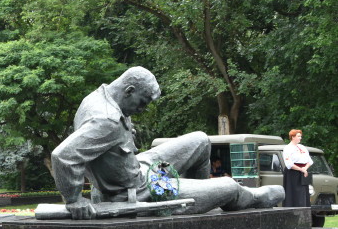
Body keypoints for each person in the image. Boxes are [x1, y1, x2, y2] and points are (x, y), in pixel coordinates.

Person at [51, 67, 284, 219]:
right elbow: (63, 156)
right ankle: (249, 198)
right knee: (230, 187)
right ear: (129, 90)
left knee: (202, 141)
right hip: (139, 191)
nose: (141, 110)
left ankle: (196, 203)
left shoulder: (100, 96)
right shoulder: (106, 119)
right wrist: (74, 200)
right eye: (141, 103)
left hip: (140, 166)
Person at [282, 129, 313, 207]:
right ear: (293, 137)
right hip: (293, 173)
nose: (300, 138)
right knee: (294, 194)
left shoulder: (302, 147)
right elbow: (289, 164)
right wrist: (301, 169)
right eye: (298, 136)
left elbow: (310, 161)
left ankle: (304, 213)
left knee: (304, 194)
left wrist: (305, 168)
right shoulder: (288, 148)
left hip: (303, 173)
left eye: (300, 136)